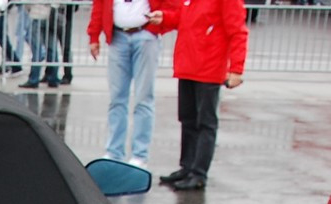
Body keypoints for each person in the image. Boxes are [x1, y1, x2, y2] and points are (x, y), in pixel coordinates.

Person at [157, 0, 246, 191]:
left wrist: (236, 69)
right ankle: (187, 166)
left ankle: (198, 173)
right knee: (187, 119)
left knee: (205, 123)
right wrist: (164, 17)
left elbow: (237, 31)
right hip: (188, 66)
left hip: (209, 68)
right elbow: (183, 18)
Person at [88, 0, 168, 167]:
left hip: (145, 33)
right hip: (118, 37)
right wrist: (94, 35)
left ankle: (140, 154)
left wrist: (164, 18)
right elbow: (100, 4)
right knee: (117, 98)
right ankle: (114, 151)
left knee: (143, 98)